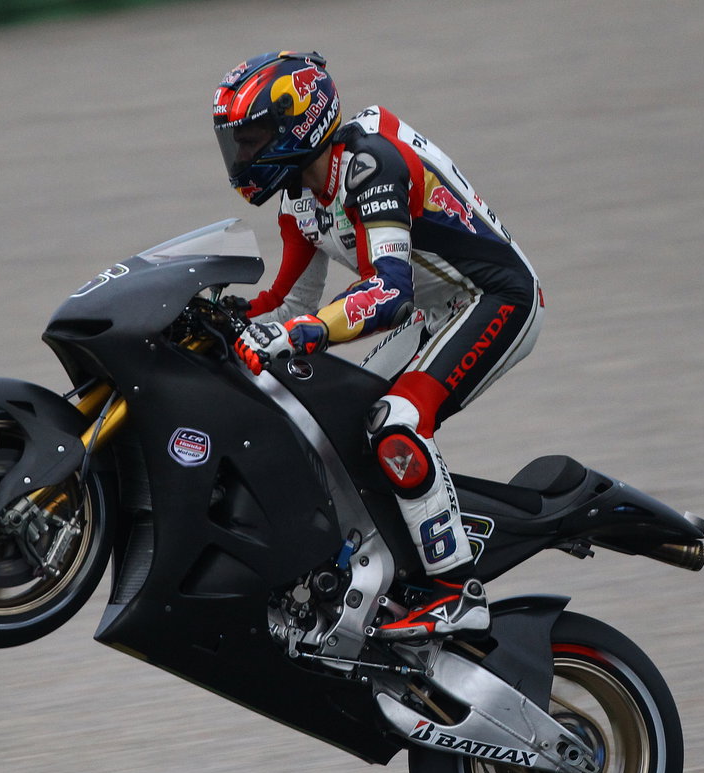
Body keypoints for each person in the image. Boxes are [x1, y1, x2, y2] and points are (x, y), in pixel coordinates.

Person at [214, 51, 543, 640]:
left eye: (252, 138)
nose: (241, 156)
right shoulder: (299, 194)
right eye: (235, 142)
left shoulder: (371, 166)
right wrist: (216, 319)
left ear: (298, 124)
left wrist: (302, 333)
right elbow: (289, 302)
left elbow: (389, 294)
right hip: (435, 309)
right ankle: (396, 568)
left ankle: (457, 590)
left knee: (397, 421)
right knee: (342, 421)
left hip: (496, 299)